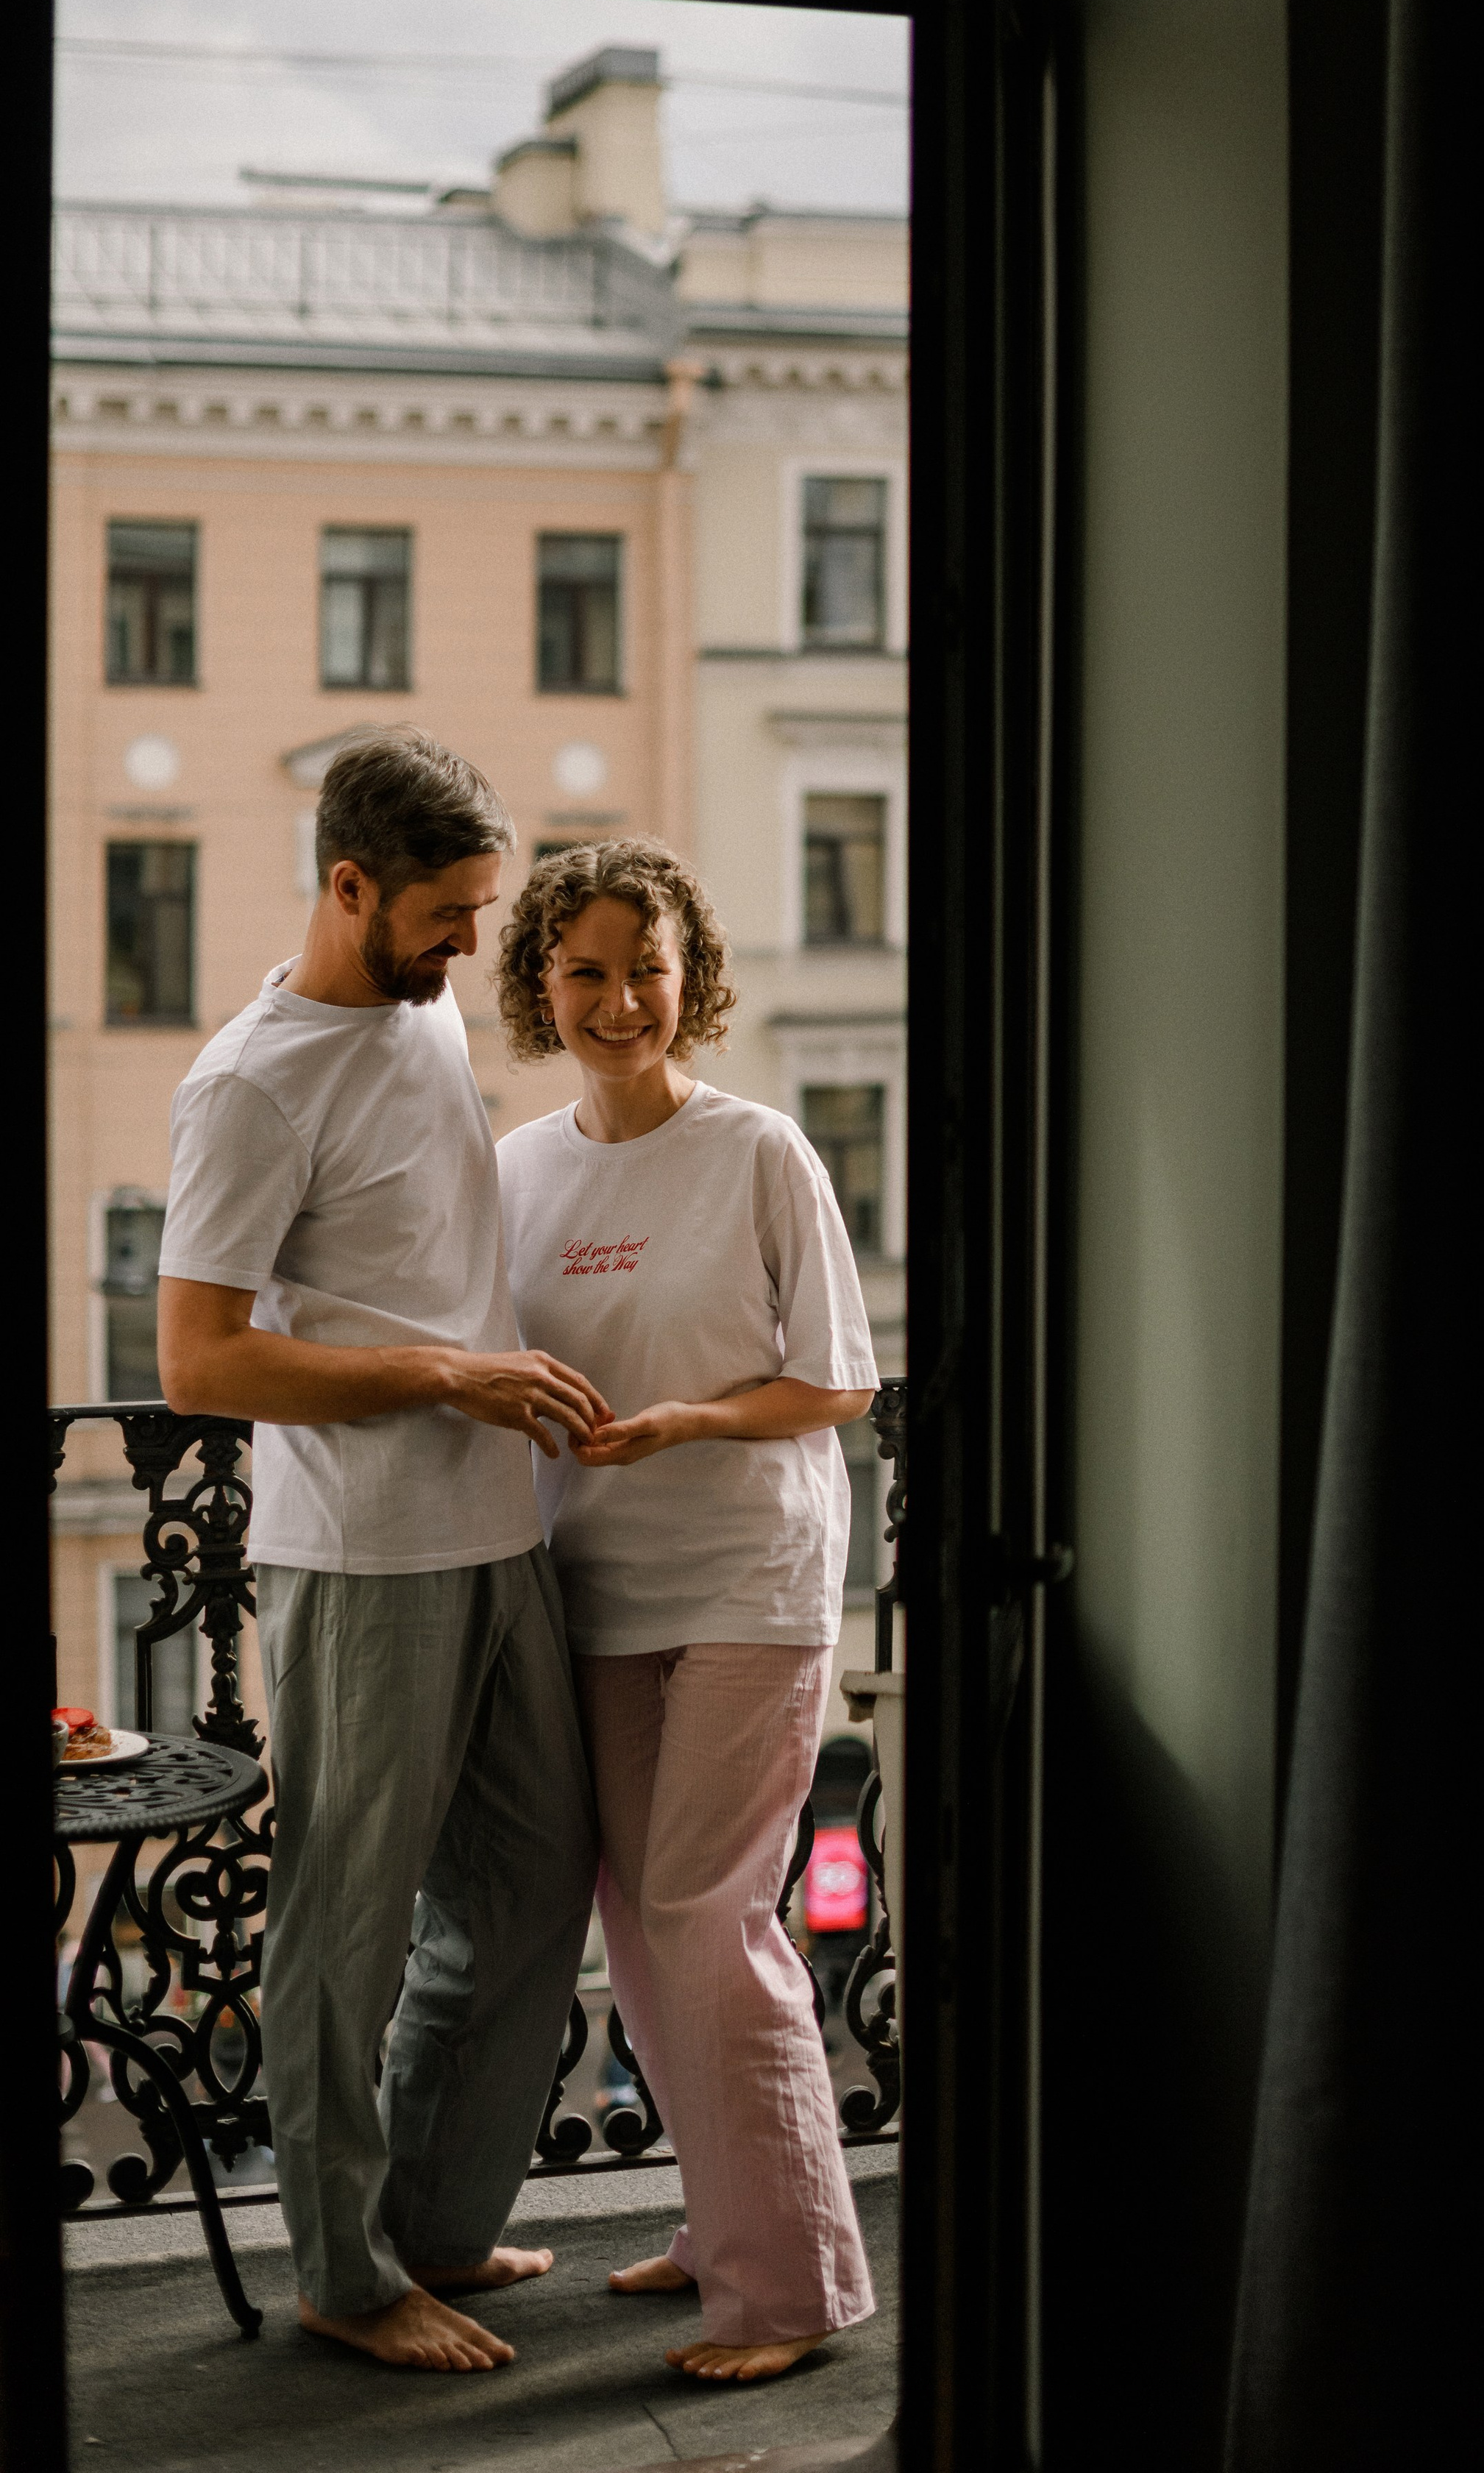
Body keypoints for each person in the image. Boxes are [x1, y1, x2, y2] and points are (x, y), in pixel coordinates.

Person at [157, 728, 607, 2374]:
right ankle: (344, 2278)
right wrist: (441, 1375)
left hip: (499, 1527)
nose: (472, 944)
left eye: (483, 908)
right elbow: (197, 1363)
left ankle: (429, 2225)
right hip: (359, 1560)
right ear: (349, 887)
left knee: (534, 1884)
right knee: (342, 1933)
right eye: (446, 914)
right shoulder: (249, 1083)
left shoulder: (416, 1017)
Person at [493, 836, 878, 2384]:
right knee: (642, 1924)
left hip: (748, 1577)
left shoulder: (760, 1151)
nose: (617, 1000)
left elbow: (840, 1380)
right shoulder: (516, 1169)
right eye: (583, 971)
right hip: (591, 1585)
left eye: (643, 968)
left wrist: (690, 1423)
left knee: (711, 1917)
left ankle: (788, 2289)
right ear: (541, 984)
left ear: (688, 976)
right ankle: (729, 2223)